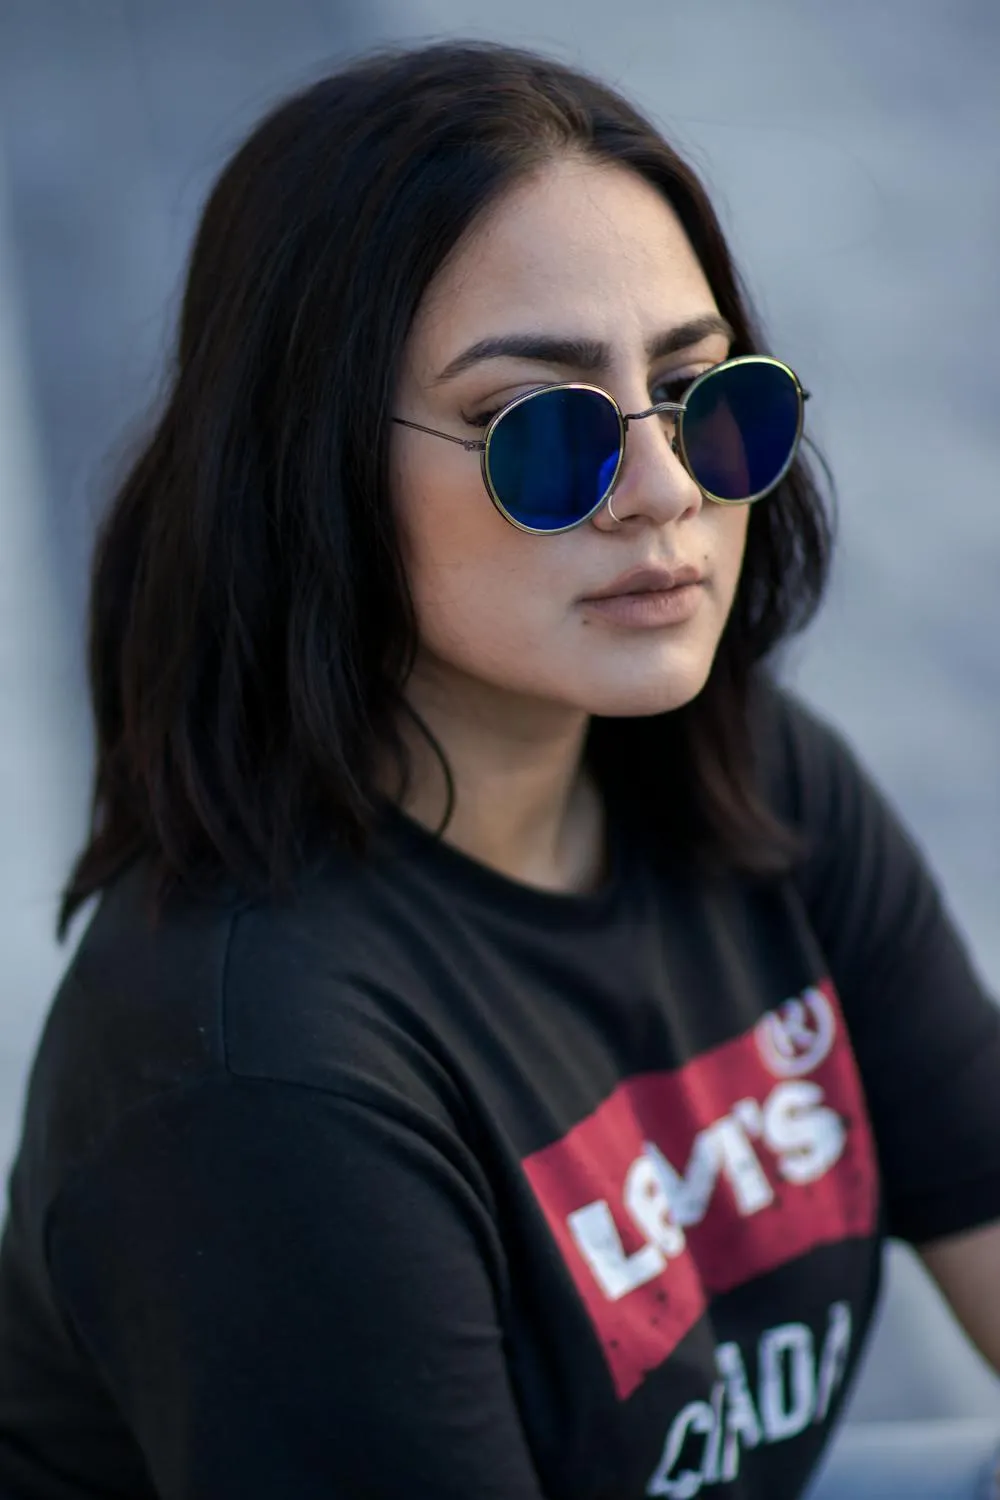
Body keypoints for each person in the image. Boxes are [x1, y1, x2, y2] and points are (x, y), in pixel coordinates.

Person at [0, 39, 996, 1500]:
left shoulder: (756, 784)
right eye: (544, 431)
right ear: (315, 462)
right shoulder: (261, 1074)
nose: (664, 492)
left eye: (704, 396)